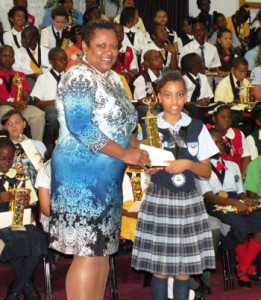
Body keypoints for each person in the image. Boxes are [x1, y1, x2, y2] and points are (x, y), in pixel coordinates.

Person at [49, 20, 150, 300]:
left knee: (103, 250)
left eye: (114, 45)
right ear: (84, 47)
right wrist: (126, 154)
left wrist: (142, 150)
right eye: (101, 45)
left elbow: (125, 127)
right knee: (87, 252)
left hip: (108, 178)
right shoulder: (78, 76)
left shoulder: (115, 79)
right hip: (80, 178)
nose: (109, 51)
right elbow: (81, 126)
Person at [131, 72, 219, 300]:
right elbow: (145, 164)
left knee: (183, 270)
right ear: (159, 97)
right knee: (160, 269)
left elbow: (206, 170)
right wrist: (149, 168)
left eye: (180, 95)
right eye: (168, 95)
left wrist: (188, 164)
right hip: (159, 199)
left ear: (186, 96)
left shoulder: (197, 127)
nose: (174, 101)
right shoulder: (149, 125)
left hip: (189, 200)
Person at [196, 127, 261, 289]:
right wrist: (236, 204)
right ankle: (246, 269)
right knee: (240, 225)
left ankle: (243, 267)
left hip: (234, 201)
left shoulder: (232, 166)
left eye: (221, 143)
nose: (219, 146)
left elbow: (239, 192)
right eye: (215, 142)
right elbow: (209, 196)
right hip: (215, 204)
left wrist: (245, 200)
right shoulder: (201, 167)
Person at [0, 132, 48, 300]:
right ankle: (25, 288)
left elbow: (31, 207)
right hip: (0, 226)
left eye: (10, 159)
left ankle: (15, 290)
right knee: (8, 241)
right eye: (2, 159)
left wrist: (25, 201)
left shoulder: (19, 175)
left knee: (39, 240)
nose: (7, 163)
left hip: (18, 221)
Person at [0, 45, 45, 142]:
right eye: (5, 56)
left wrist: (25, 102)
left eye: (11, 56)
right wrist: (12, 104)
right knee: (6, 112)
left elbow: (26, 95)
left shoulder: (20, 75)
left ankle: (38, 146)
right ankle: (6, 145)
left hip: (20, 106)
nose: (8, 59)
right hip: (3, 106)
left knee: (39, 114)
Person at [31, 48, 67, 147]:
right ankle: (49, 144)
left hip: (67, 105)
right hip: (50, 106)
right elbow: (36, 102)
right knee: (54, 114)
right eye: (60, 59)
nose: (64, 62)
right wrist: (54, 102)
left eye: (65, 59)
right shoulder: (43, 78)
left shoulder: (69, 76)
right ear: (51, 61)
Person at [1, 110, 46, 185]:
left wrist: (43, 162)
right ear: (5, 127)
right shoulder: (2, 148)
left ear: (24, 124)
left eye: (17, 122)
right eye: (9, 124)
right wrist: (10, 171)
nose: (14, 126)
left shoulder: (38, 145)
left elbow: (50, 171)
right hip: (9, 188)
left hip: (37, 187)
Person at [211, 105, 251, 179]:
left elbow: (246, 157)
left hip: (238, 176)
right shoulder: (209, 135)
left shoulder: (238, 134)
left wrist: (243, 177)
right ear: (214, 119)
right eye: (223, 117)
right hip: (217, 177)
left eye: (229, 117)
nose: (227, 120)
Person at [181, 53, 213, 120]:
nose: (203, 64)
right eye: (200, 62)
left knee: (220, 107)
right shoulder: (182, 80)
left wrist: (206, 100)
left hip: (203, 106)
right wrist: (197, 103)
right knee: (196, 109)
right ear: (193, 65)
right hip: (189, 107)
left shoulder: (203, 77)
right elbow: (182, 102)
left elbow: (209, 96)